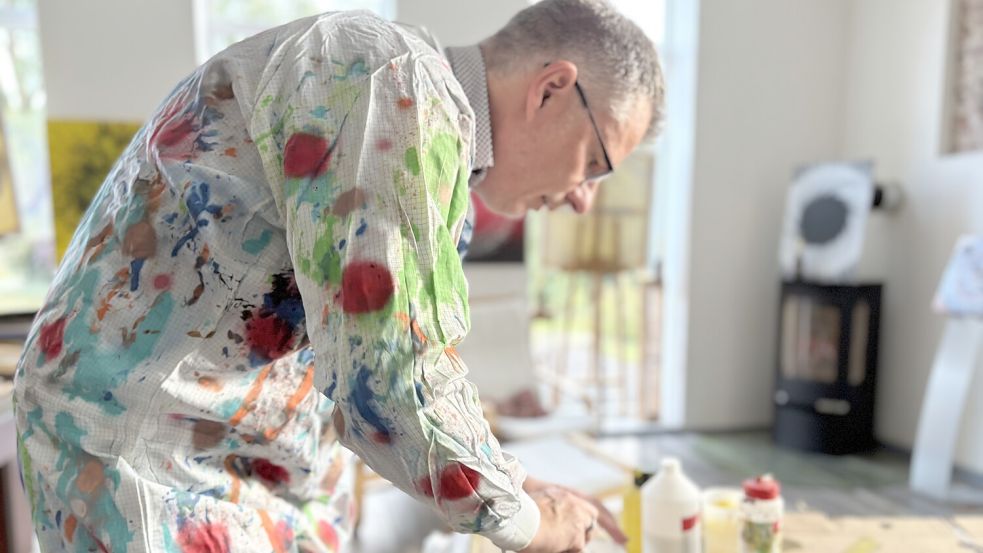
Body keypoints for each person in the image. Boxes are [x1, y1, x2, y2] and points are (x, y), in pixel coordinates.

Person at [13, 0, 663, 551]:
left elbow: (400, 366)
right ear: (550, 88)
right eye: (597, 164)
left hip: (241, 460)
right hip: (148, 453)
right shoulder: (387, 77)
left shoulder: (435, 155)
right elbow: (387, 370)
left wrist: (511, 482)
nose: (583, 199)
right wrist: (527, 519)